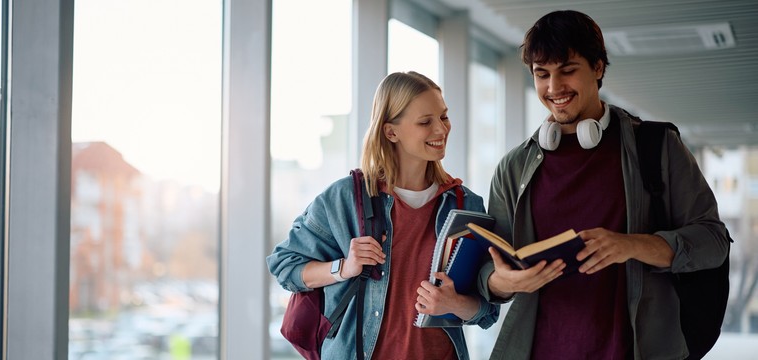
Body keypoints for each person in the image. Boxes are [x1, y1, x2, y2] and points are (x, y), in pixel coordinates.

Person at [476, 10, 731, 360]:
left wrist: (632, 245)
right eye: (542, 74)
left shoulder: (657, 148)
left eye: (568, 70)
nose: (554, 88)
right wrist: (504, 282)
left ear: (597, 68)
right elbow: (490, 270)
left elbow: (713, 242)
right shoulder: (513, 168)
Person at [267, 71, 500, 360]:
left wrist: (454, 303)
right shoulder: (345, 199)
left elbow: (488, 312)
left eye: (444, 117)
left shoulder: (466, 205)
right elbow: (285, 266)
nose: (441, 130)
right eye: (425, 122)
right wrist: (344, 267)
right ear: (391, 132)